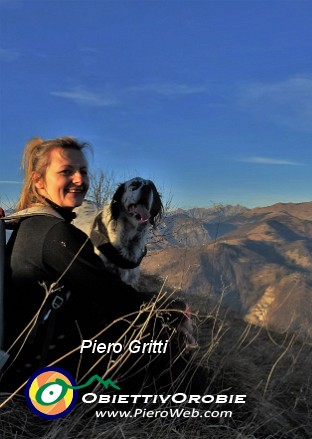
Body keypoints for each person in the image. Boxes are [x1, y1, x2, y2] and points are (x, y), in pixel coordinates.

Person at [1, 136, 189, 395]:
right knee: (165, 344)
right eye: (66, 172)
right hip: (44, 376)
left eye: (83, 171)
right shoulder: (57, 235)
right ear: (39, 180)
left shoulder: (29, 222)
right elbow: (117, 298)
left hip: (29, 359)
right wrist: (177, 308)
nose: (79, 179)